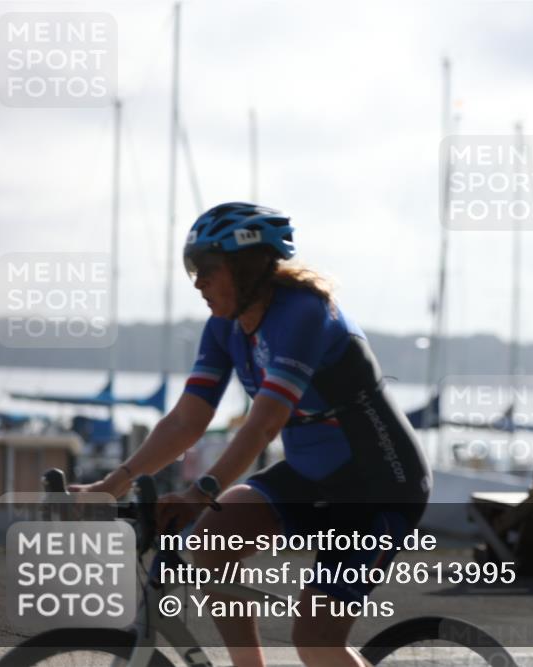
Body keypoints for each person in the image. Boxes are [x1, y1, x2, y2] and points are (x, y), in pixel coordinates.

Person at [72, 202, 433, 667]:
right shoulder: (224, 328)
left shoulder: (303, 314)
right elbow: (187, 420)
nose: (197, 281)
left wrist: (203, 489)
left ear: (247, 267)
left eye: (205, 268)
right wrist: (111, 485)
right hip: (312, 477)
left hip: (381, 487)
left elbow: (264, 423)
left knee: (316, 638)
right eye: (192, 269)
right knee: (208, 544)